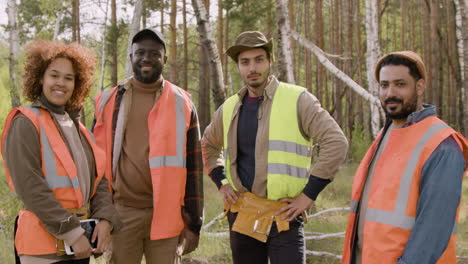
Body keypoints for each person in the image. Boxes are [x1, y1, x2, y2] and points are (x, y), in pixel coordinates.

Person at [201, 30, 348, 264]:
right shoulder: (228, 109)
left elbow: (336, 142)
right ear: (238, 66)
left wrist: (308, 195)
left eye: (259, 59)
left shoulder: (298, 99)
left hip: (284, 216)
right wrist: (222, 183)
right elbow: (208, 145)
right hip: (243, 214)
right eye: (245, 62)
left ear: (270, 61)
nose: (253, 68)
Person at [341, 51, 468, 264]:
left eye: (400, 84)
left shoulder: (442, 144)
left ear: (419, 87)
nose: (390, 93)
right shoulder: (387, 134)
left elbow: (432, 232)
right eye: (384, 85)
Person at [1, 39, 121, 264]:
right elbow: (30, 186)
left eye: (69, 78)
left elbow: (100, 180)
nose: (61, 83)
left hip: (79, 247)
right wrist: (72, 233)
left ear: (77, 84)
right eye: (54, 75)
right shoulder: (25, 122)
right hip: (42, 249)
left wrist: (105, 219)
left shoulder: (79, 128)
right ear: (40, 78)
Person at [92, 28, 203, 264]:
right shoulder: (108, 101)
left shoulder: (182, 102)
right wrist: (100, 213)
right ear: (131, 56)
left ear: (164, 58)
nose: (146, 58)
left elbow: (194, 166)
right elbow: (95, 163)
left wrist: (194, 221)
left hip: (167, 214)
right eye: (140, 52)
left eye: (154, 54)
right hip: (122, 213)